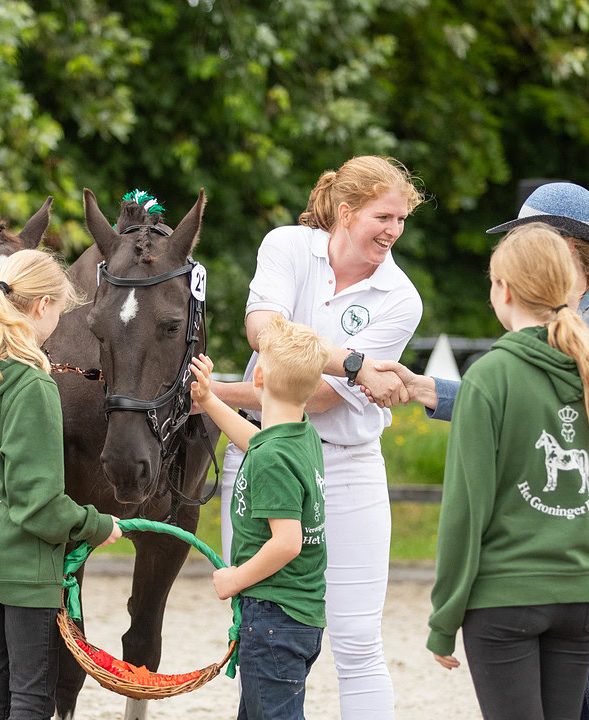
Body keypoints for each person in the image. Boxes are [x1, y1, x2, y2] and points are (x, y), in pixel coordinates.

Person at [367, 182, 589, 719]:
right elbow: (530, 400)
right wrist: (425, 388)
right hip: (578, 512)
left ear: (566, 248)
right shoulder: (566, 319)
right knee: (584, 684)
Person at [210, 155, 425, 718]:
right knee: (258, 625)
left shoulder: (402, 298)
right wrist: (352, 360)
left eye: (402, 219)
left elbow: (319, 397)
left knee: (356, 639)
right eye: (384, 216)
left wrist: (213, 395)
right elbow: (262, 330)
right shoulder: (287, 245)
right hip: (262, 455)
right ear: (346, 212)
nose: (394, 231)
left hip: (348, 465)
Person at [426, 222, 589, 719]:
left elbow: (466, 509)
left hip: (505, 599)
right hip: (580, 600)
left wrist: (444, 618)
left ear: (503, 290)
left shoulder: (489, 378)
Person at [0, 249, 123, 720]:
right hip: (24, 570)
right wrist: (99, 526)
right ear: (41, 307)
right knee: (32, 699)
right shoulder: (32, 387)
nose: (59, 321)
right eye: (59, 310)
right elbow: (39, 507)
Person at [189, 316, 334, 720]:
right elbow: (256, 443)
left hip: (273, 614)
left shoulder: (273, 457)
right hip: (295, 617)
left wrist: (236, 578)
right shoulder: (300, 434)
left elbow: (286, 542)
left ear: (258, 377)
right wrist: (211, 399)